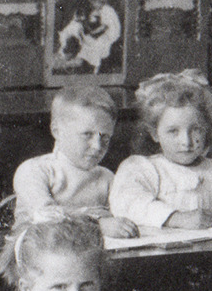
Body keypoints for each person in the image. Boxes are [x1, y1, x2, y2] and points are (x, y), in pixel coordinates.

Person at [107, 70, 212, 231]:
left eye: (196, 130)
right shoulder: (142, 168)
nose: (186, 142)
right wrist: (175, 218)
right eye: (173, 131)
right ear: (155, 133)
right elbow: (127, 203)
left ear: (208, 129)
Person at [11, 86, 137, 238]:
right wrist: (97, 225)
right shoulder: (34, 170)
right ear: (57, 131)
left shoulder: (107, 177)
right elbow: (45, 217)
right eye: (87, 134)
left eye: (105, 137)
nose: (97, 146)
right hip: (40, 246)